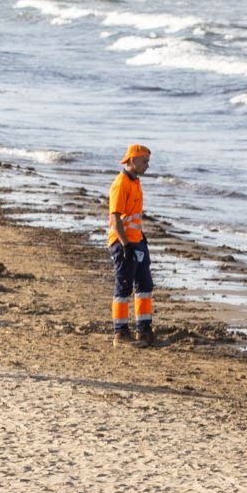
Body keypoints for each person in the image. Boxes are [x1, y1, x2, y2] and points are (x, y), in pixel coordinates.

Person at [109, 144, 157, 346]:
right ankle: (120, 333)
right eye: (144, 161)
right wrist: (125, 244)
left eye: (148, 161)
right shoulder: (121, 184)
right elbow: (116, 217)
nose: (147, 165)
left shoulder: (136, 182)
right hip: (124, 244)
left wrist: (140, 238)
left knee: (145, 285)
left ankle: (144, 331)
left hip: (137, 242)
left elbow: (133, 216)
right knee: (124, 287)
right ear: (132, 161)